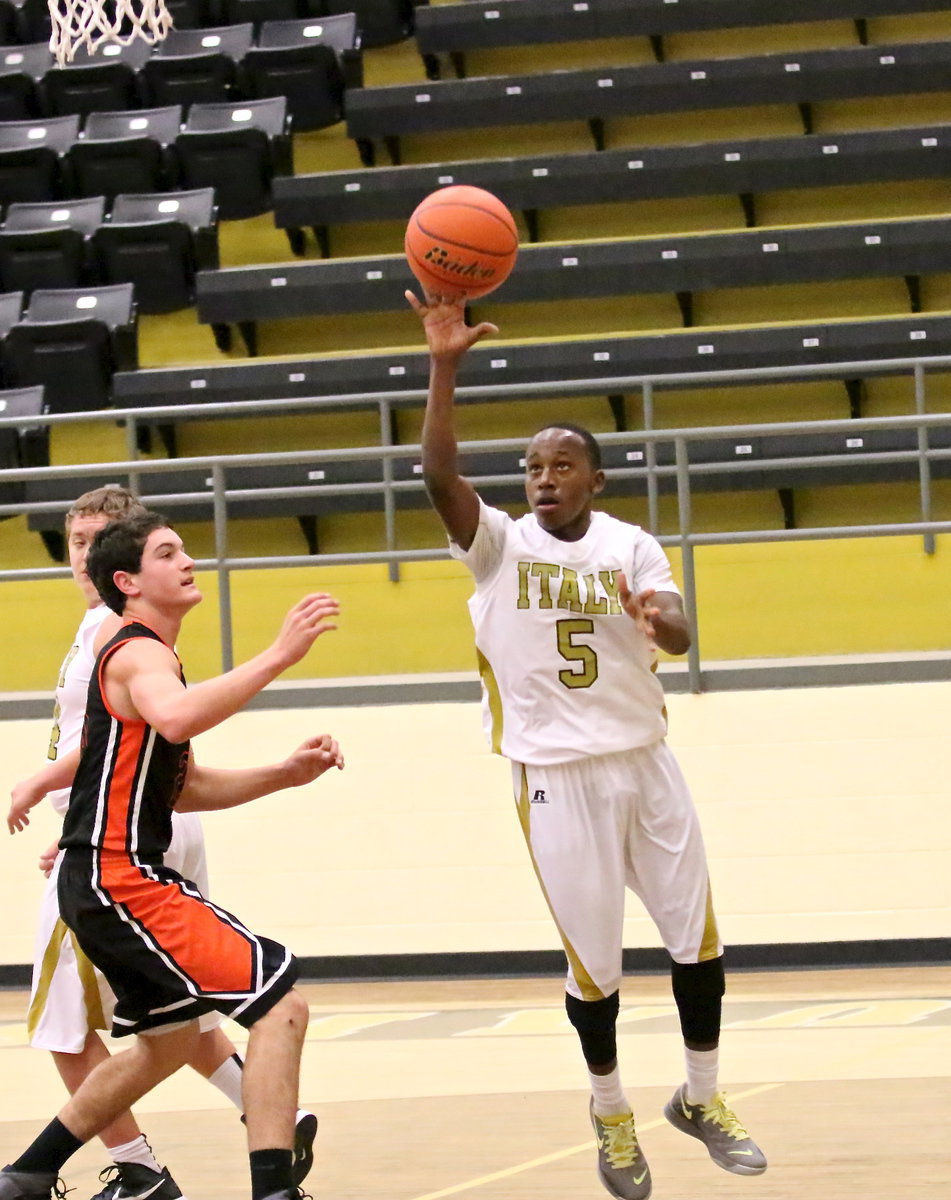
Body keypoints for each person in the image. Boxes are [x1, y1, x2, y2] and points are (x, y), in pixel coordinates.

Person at [408, 289, 766, 1200]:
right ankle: (610, 1113)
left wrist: (663, 622)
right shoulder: (497, 546)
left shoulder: (630, 545)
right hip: (554, 777)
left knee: (697, 942)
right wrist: (444, 366)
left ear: (594, 480)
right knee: (596, 969)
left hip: (646, 762)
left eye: (562, 464)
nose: (544, 477)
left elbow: (677, 629)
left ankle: (700, 1098)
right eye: (533, 465)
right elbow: (437, 475)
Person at [0, 511, 343, 1200]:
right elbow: (179, 716)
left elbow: (184, 787)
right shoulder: (137, 653)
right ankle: (273, 1191)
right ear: (128, 581)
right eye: (167, 552)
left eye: (184, 549)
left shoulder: (153, 657)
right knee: (281, 1007)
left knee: (170, 1041)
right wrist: (278, 656)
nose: (187, 560)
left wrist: (282, 775)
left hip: (103, 876)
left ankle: (27, 1176)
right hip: (119, 876)